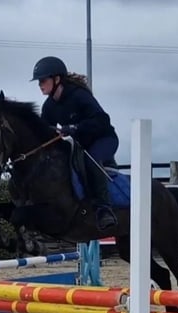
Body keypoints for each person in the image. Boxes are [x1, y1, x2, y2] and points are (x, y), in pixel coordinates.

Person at [31, 56, 118, 231]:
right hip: (80, 145)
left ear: (56, 79)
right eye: (38, 81)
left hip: (104, 139)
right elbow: (44, 133)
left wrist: (76, 128)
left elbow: (103, 120)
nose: (40, 84)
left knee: (90, 160)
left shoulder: (79, 95)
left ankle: (104, 209)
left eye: (43, 80)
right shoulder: (49, 107)